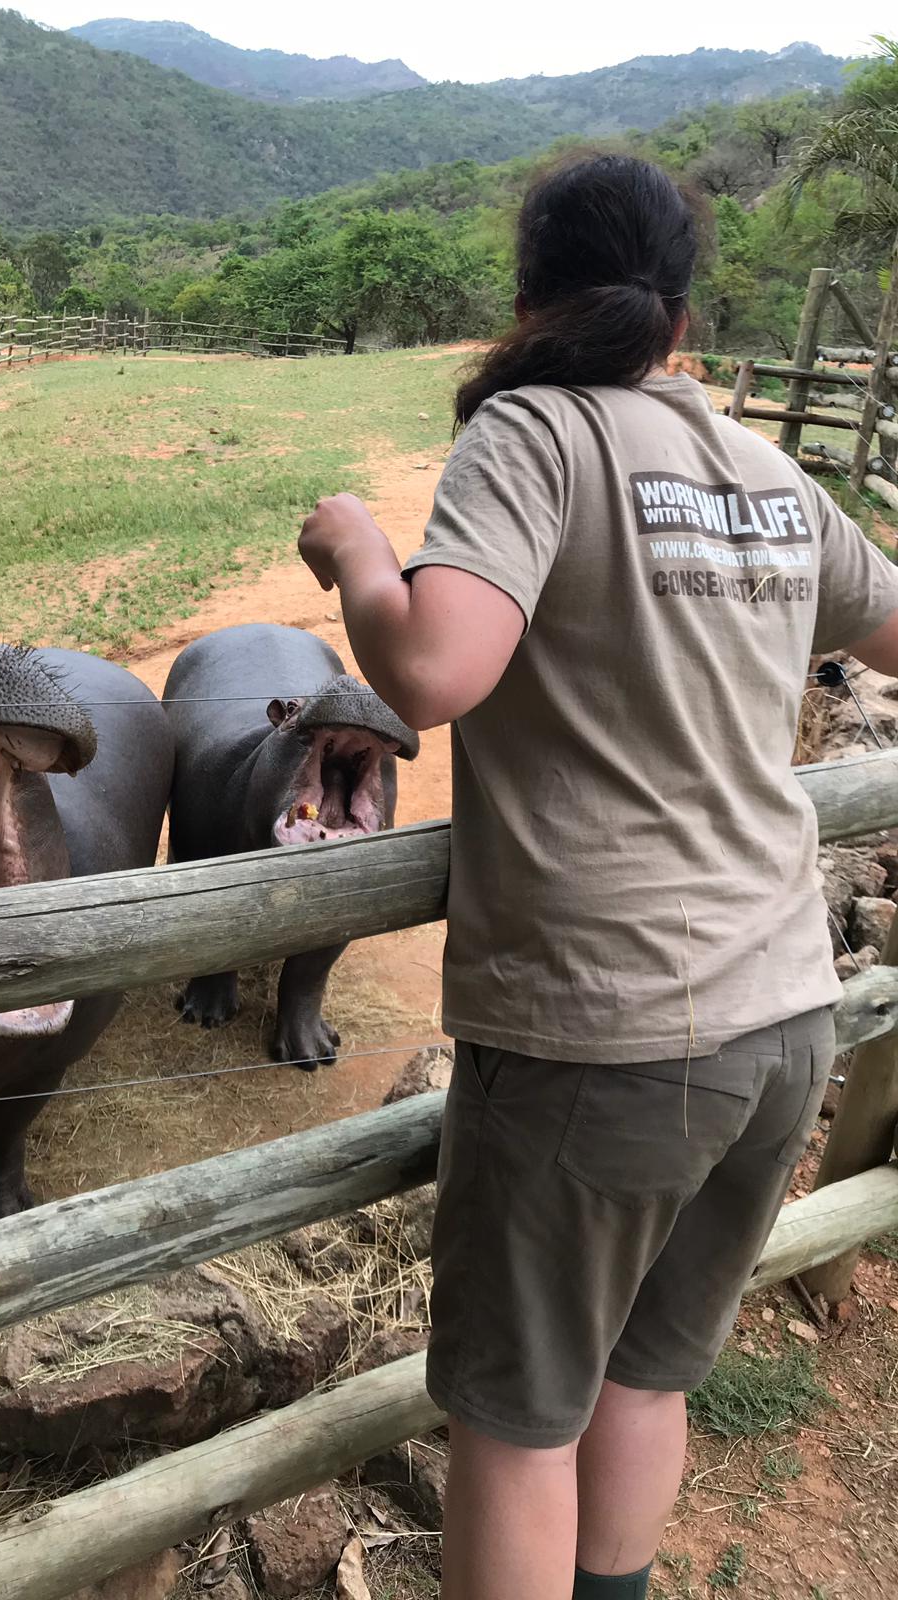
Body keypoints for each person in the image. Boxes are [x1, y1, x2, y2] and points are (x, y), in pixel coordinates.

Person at [297, 153, 898, 1600]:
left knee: (515, 1421)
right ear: (681, 319)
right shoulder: (770, 476)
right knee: (644, 1379)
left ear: (527, 302)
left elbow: (435, 671)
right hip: (780, 1023)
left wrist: (359, 552)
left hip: (604, 1034)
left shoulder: (537, 435)